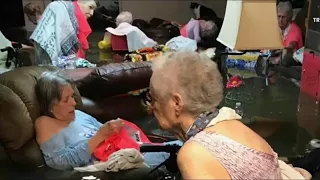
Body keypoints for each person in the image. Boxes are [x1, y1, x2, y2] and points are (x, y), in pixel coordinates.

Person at [148, 52, 282, 179]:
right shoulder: (233, 125)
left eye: (153, 98)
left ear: (176, 103)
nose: (151, 106)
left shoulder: (195, 153)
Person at [34, 71, 182, 170]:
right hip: (112, 165)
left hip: (128, 151)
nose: (73, 102)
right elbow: (58, 163)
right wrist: (99, 136)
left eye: (72, 96)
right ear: (51, 104)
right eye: (66, 99)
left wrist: (113, 129)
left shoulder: (78, 114)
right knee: (180, 155)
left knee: (183, 146)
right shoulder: (45, 123)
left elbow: (108, 135)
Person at [30, 0, 96, 65]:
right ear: (79, 2)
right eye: (90, 7)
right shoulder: (59, 7)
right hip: (50, 54)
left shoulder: (74, 17)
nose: (92, 13)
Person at [271, 1, 303, 65]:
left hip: (292, 65)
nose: (280, 20)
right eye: (279, 16)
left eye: (283, 17)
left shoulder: (294, 30)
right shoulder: (276, 27)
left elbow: (288, 49)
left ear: (289, 17)